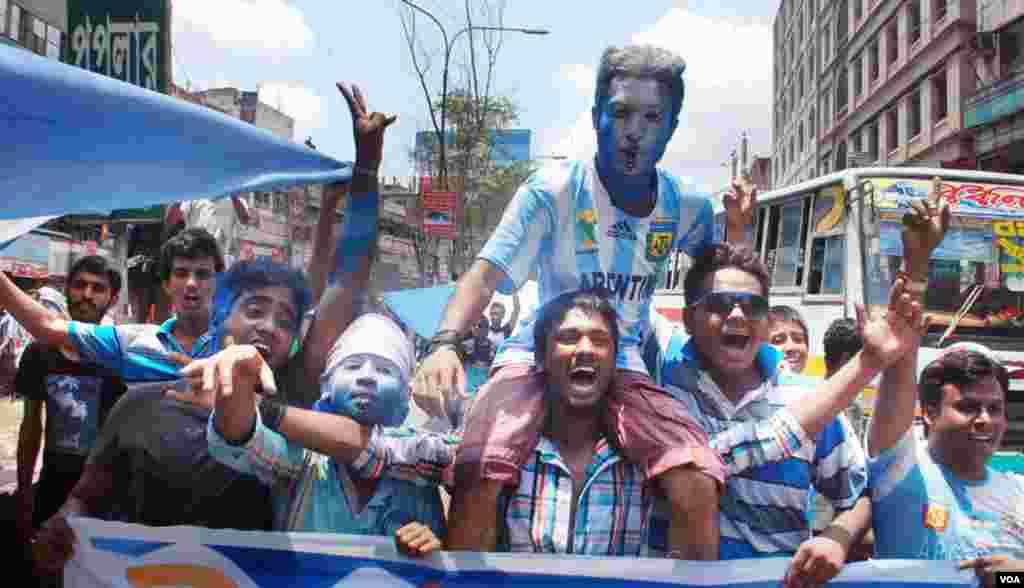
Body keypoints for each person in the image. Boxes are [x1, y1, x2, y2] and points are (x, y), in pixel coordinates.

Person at [28, 80, 396, 576]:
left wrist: (367, 170)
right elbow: (88, 497)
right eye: (256, 309)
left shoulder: (292, 410)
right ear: (222, 319)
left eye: (286, 320)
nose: (269, 326)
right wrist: (61, 528)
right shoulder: (138, 407)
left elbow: (348, 277)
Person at [413, 44, 756, 559]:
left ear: (672, 125)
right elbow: (483, 276)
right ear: (596, 116)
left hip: (626, 366)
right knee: (480, 470)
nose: (634, 130)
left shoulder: (687, 205)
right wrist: (443, 345)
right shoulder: (550, 191)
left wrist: (737, 232)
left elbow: (721, 289)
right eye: (619, 113)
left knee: (697, 480)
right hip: (535, 356)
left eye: (651, 117)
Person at [648, 239, 924, 586]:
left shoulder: (808, 397)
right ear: (689, 319)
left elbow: (859, 495)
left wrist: (835, 538)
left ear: (765, 322)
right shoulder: (660, 383)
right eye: (720, 304)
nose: (737, 315)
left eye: (752, 306)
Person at [197, 313, 447, 552]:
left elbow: (437, 563)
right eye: (352, 366)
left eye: (384, 370)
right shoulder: (304, 459)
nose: (367, 377)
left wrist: (427, 543)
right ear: (327, 385)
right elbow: (241, 438)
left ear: (404, 395)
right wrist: (236, 385)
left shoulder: (418, 474)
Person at [13, 257, 126, 574]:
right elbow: (30, 427)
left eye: (98, 288)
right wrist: (24, 491)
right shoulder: (39, 354)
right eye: (79, 285)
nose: (87, 294)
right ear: (66, 291)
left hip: (103, 498)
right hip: (51, 489)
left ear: (112, 298)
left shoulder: (122, 359)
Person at [0, 227, 225, 385]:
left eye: (203, 274)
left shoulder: (237, 346)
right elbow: (48, 326)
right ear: (166, 284)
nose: (192, 283)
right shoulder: (133, 343)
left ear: (218, 283)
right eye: (182, 273)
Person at [165, 194, 251, 268]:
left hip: (219, 261)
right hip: (193, 258)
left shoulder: (236, 199)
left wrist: (232, 194)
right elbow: (171, 220)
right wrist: (181, 194)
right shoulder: (192, 197)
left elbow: (245, 220)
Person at [767, 305, 810, 374]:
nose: (791, 347)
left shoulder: (819, 384)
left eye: (798, 339)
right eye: (778, 340)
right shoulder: (745, 384)